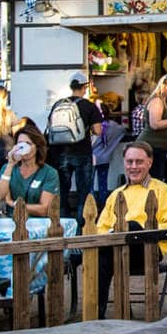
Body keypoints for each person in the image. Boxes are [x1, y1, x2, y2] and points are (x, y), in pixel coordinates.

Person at [94, 142, 167, 318]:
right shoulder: (116, 194)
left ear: (150, 162)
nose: (133, 167)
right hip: (116, 250)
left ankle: (102, 313)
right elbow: (101, 228)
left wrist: (138, 232)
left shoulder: (162, 190)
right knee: (101, 258)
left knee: (131, 225)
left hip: (148, 249)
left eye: (139, 162)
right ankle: (99, 314)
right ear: (124, 163)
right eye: (129, 161)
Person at [45, 72, 104, 225]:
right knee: (82, 192)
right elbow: (98, 131)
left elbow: (49, 126)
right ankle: (80, 225)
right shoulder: (89, 106)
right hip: (82, 152)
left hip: (59, 153)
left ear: (71, 87)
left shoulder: (58, 104)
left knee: (62, 191)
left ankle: (63, 223)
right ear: (85, 88)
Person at [0, 126, 61, 218]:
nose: (23, 147)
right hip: (12, 222)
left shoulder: (49, 173)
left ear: (37, 147)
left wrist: (14, 204)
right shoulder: (8, 168)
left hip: (38, 224)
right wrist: (10, 164)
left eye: (28, 143)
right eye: (20, 143)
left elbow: (45, 209)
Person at [136, 73, 167, 185]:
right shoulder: (157, 101)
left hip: (162, 148)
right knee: (157, 178)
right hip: (152, 146)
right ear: (164, 86)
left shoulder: (166, 102)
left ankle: (163, 199)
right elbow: (155, 124)